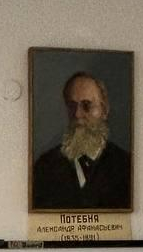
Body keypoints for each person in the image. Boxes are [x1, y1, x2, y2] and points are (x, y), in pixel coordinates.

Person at [31, 71, 132, 211]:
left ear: (104, 110)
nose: (77, 114)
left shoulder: (126, 166)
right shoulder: (45, 167)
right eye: (72, 105)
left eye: (86, 105)